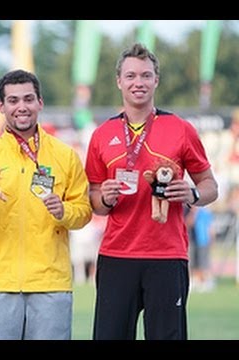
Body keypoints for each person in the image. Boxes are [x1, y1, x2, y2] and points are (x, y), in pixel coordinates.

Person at [84, 43, 219, 340]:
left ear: (156, 80)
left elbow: (211, 186)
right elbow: (94, 200)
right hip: (116, 255)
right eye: (131, 76)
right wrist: (103, 198)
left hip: (167, 255)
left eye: (146, 76)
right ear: (119, 81)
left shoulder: (181, 128)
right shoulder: (101, 134)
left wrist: (192, 194)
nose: (138, 83)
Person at [0, 69, 92, 340]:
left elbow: (84, 212)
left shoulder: (65, 156)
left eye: (28, 99)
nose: (22, 107)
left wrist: (64, 211)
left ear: (40, 103)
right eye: (13, 100)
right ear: (1, 106)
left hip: (51, 283)